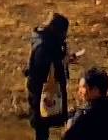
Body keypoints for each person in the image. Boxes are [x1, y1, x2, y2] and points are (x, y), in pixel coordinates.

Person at [25, 12, 70, 140]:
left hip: (40, 89)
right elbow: (44, 67)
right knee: (42, 125)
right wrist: (62, 59)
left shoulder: (44, 40)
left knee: (43, 125)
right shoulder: (44, 45)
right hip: (42, 90)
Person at [64, 68, 108, 140]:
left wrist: (70, 121)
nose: (79, 91)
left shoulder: (84, 115)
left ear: (95, 90)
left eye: (82, 87)